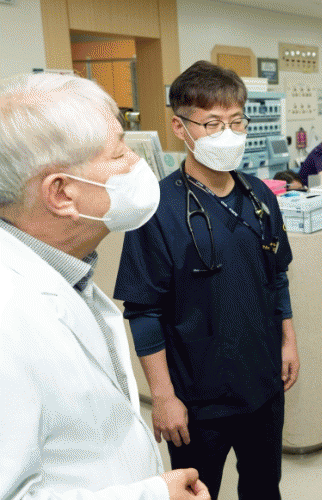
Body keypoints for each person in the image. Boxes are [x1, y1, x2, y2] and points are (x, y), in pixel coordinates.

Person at [0, 72, 209, 499]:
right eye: (119, 153)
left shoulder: (66, 270)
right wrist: (153, 496)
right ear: (61, 194)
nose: (136, 164)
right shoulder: (9, 316)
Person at [113, 61, 298, 500]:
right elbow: (143, 311)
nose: (228, 134)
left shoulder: (260, 197)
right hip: (196, 397)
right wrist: (163, 396)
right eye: (213, 124)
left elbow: (277, 276)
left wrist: (288, 341)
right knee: (197, 493)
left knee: (263, 488)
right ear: (180, 127)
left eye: (236, 122)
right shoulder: (156, 209)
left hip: (263, 385)